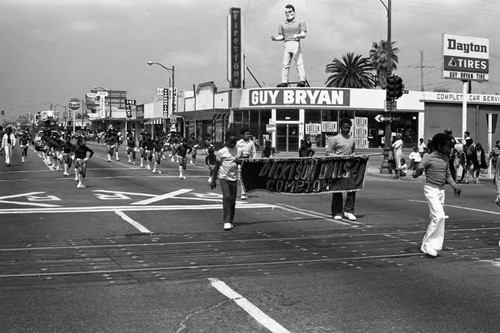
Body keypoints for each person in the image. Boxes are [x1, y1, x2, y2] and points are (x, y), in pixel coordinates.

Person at [413, 133, 461, 258]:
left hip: (441, 191)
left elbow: (448, 175)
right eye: (448, 147)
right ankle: (429, 245)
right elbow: (416, 173)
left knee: (437, 218)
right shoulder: (428, 158)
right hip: (431, 189)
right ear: (439, 146)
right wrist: (418, 171)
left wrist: (455, 186)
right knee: (439, 216)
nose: (450, 149)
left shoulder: (445, 159)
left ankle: (430, 244)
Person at [325, 118, 357, 221]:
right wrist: (338, 157)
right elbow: (328, 152)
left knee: (352, 188)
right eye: (345, 128)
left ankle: (349, 211)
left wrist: (353, 156)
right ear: (340, 128)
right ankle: (337, 212)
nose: (347, 130)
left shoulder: (352, 139)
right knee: (338, 189)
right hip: (338, 167)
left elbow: (353, 151)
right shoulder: (335, 139)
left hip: (349, 167)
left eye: (348, 128)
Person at [210, 131, 243, 231]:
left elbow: (243, 164)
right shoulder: (221, 152)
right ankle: (227, 221)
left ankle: (231, 220)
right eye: (230, 142)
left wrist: (239, 162)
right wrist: (213, 179)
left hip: (234, 177)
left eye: (234, 142)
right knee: (227, 197)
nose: (233, 144)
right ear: (226, 141)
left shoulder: (239, 150)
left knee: (232, 200)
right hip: (224, 178)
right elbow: (217, 166)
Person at [271, 4, 307, 87]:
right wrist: (276, 39)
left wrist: (297, 36)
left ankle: (302, 80)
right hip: (287, 44)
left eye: (290, 11)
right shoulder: (282, 24)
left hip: (295, 43)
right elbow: (281, 36)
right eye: (286, 12)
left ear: (294, 12)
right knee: (285, 63)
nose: (288, 14)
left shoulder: (300, 22)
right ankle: (284, 81)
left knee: (299, 62)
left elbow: (303, 34)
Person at [237, 127, 257, 200]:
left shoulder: (251, 143)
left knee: (247, 177)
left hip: (248, 160)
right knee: (241, 176)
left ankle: (245, 191)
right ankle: (243, 192)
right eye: (246, 134)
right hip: (241, 160)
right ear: (242, 135)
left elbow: (254, 152)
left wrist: (253, 159)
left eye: (249, 134)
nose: (248, 136)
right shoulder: (238, 143)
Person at [489, 140, 500, 206]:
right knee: (497, 178)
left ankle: (498, 198)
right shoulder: (494, 149)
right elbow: (490, 155)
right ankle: (498, 198)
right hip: (496, 163)